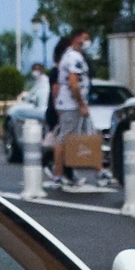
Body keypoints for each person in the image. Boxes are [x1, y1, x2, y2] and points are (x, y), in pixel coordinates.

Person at [53, 32, 92, 181]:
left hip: (68, 103)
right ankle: (58, 174)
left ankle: (65, 173)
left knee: (67, 139)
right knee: (65, 140)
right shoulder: (74, 57)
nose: (88, 42)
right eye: (85, 38)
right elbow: (74, 83)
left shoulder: (69, 55)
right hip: (71, 104)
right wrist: (81, 104)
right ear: (76, 39)